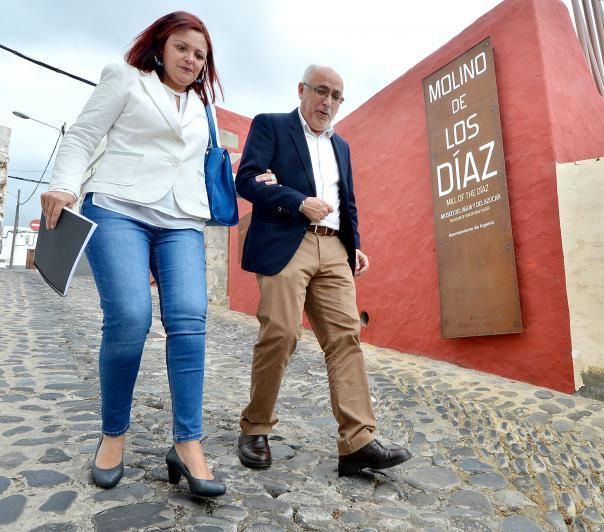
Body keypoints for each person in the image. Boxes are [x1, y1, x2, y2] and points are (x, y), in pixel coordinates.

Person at [42, 11, 230, 497]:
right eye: (184, 48)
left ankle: (188, 444)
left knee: (190, 317)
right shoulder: (126, 79)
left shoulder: (201, 107)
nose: (192, 59)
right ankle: (113, 435)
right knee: (129, 315)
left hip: (182, 220)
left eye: (201, 55)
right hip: (119, 207)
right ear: (162, 46)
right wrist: (62, 186)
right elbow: (83, 135)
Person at [235, 64, 412, 476]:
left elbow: (346, 200)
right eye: (321, 91)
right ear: (302, 90)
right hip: (287, 241)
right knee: (281, 331)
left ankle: (358, 441)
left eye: (336, 96)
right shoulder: (272, 126)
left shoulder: (343, 147)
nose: (328, 101)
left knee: (346, 338)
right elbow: (246, 180)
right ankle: (255, 427)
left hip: (333, 247)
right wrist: (297, 200)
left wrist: (355, 247)